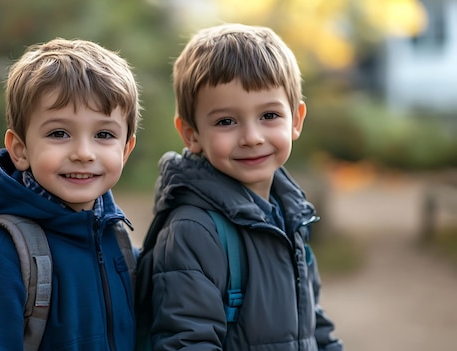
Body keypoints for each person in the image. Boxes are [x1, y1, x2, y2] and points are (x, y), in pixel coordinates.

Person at [137, 24, 343, 350]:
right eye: (226, 122)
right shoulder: (195, 230)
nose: (251, 137)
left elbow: (311, 320)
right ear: (191, 134)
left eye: (269, 115)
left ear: (296, 120)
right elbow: (188, 341)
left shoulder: (290, 215)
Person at [0, 38, 140, 350]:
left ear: (125, 150)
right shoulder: (0, 255)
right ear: (20, 150)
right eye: (59, 133)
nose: (83, 153)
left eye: (103, 134)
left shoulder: (115, 239)